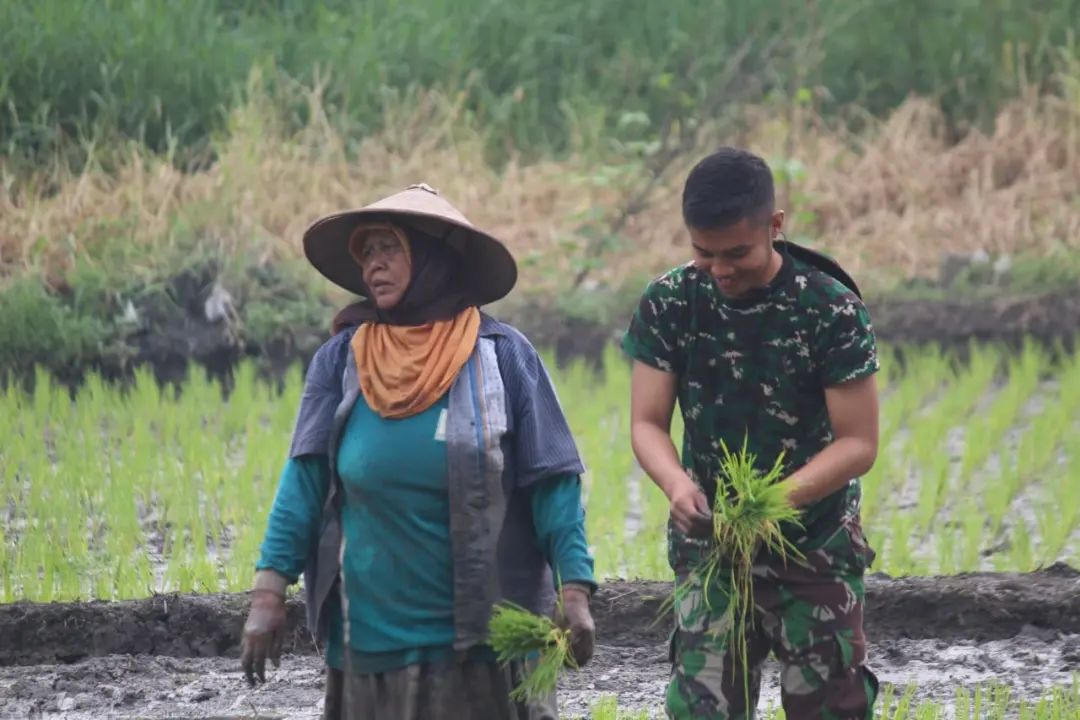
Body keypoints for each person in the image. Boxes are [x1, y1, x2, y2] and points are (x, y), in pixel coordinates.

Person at [240, 183, 597, 720]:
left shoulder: (503, 358)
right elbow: (305, 482)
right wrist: (268, 594)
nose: (373, 266)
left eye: (390, 249)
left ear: (433, 258)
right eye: (367, 253)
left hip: (487, 646)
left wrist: (575, 589)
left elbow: (554, 484)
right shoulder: (341, 361)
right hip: (370, 645)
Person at [622, 148, 880, 719]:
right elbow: (646, 423)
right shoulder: (671, 301)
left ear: (775, 226)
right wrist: (675, 484)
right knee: (701, 711)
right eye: (703, 252)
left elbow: (858, 443)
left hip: (812, 547)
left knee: (830, 709)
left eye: (736, 252)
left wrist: (776, 503)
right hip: (711, 548)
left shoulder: (829, 308)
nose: (719, 269)